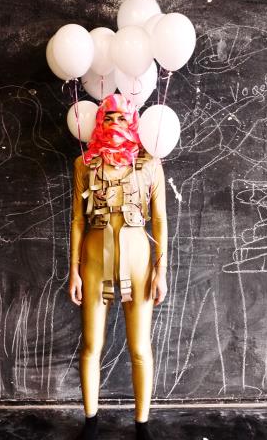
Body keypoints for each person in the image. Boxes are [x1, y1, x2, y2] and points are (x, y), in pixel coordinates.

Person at [68, 93, 168, 440]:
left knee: (140, 347)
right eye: (107, 117)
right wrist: (74, 270)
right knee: (91, 345)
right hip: (94, 261)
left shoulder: (150, 163)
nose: (114, 123)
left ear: (133, 120)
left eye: (121, 117)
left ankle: (142, 425)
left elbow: (160, 221)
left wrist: (161, 272)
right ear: (99, 121)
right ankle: (91, 422)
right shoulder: (84, 164)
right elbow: (77, 220)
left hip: (139, 262)